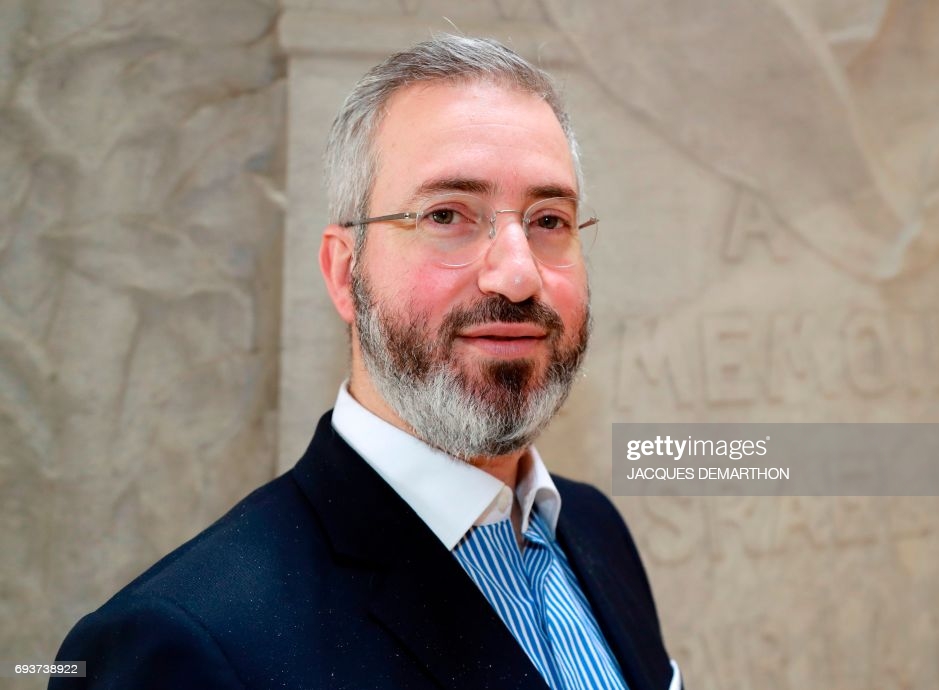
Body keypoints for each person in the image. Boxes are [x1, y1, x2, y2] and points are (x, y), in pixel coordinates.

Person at [52, 35, 680, 690]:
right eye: (448, 215)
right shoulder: (180, 643)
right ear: (345, 273)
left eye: (549, 219)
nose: (517, 274)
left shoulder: (596, 532)